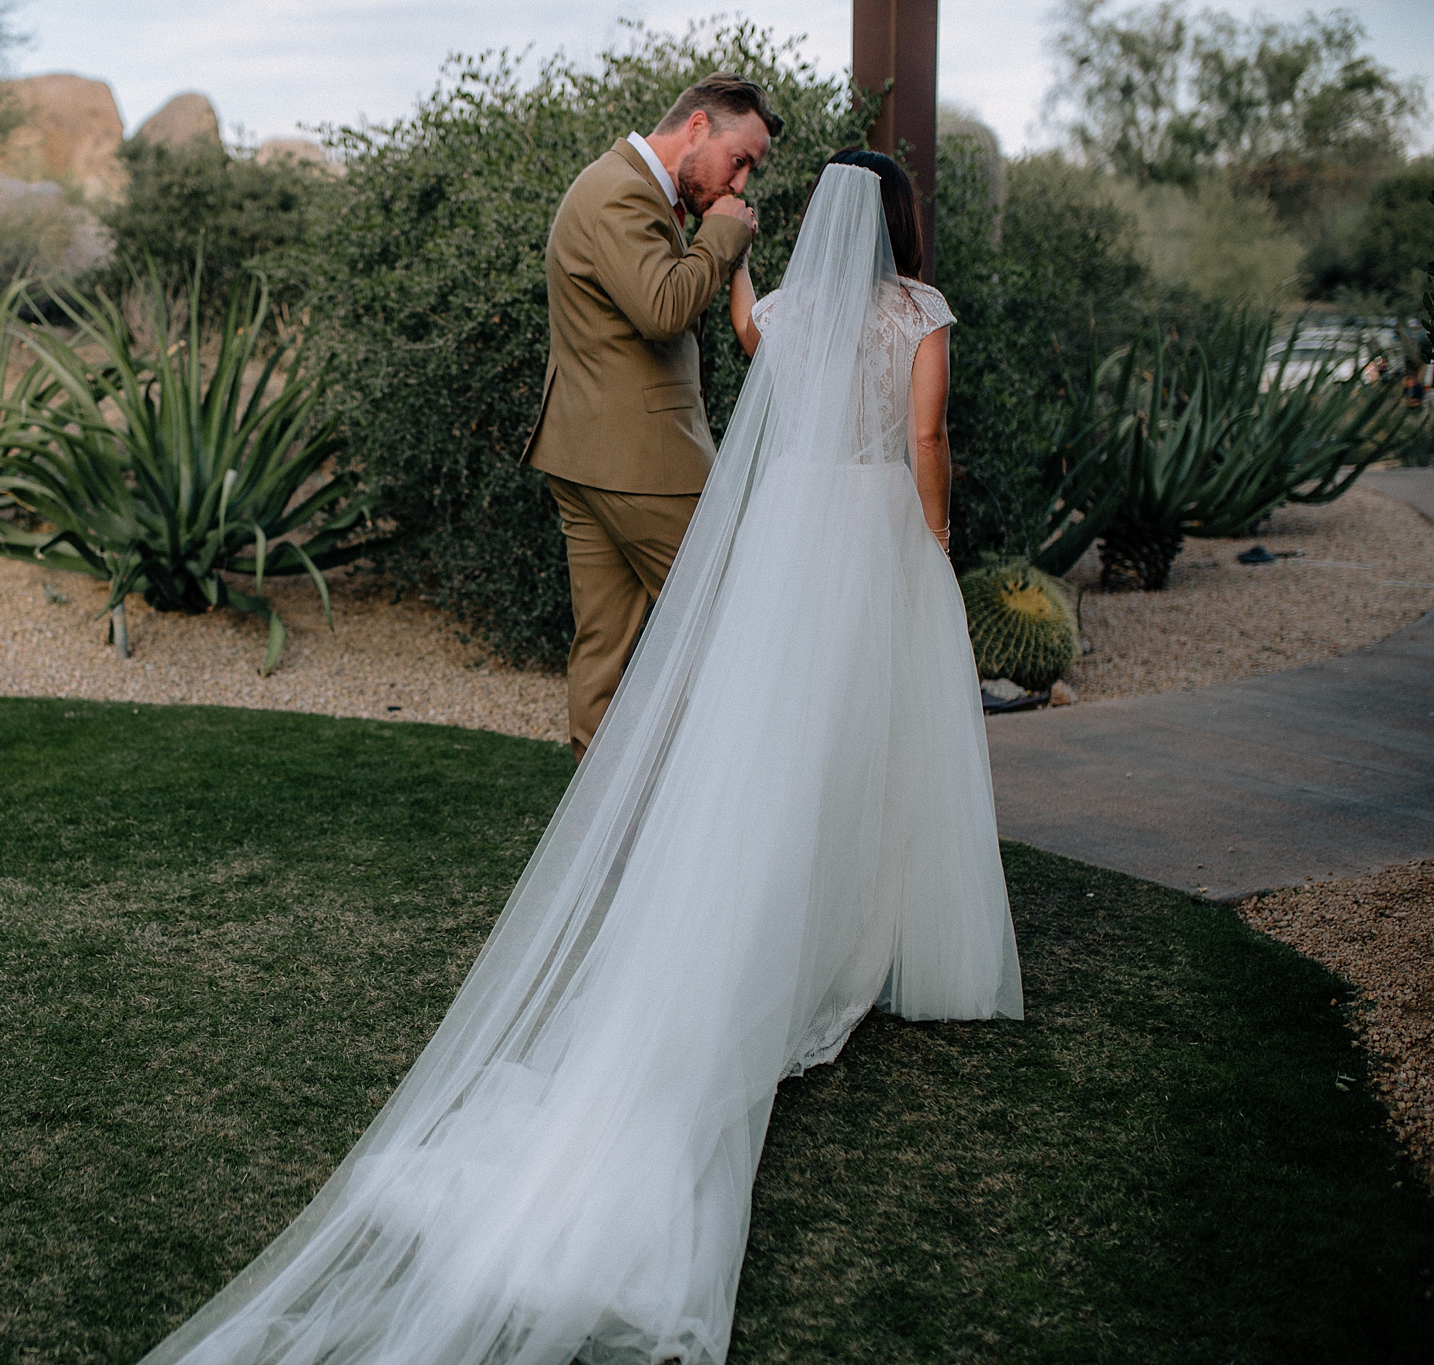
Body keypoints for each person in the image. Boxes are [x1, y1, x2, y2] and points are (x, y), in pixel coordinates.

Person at [136, 156, 1023, 1365]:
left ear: (818, 226)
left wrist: (743, 255)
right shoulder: (916, 314)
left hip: (788, 538)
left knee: (776, 744)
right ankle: (866, 944)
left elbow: (754, 337)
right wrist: (930, 541)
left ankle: (788, 934)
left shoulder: (797, 315)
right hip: (869, 531)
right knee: (870, 742)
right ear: (904, 223)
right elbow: (923, 436)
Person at [522, 74, 776, 760]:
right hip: (644, 464)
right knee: (734, 622)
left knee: (602, 653)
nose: (741, 183)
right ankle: (727, 811)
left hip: (590, 456)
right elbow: (663, 309)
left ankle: (610, 847)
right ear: (697, 128)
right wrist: (722, 237)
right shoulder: (622, 193)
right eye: (740, 159)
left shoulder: (626, 188)